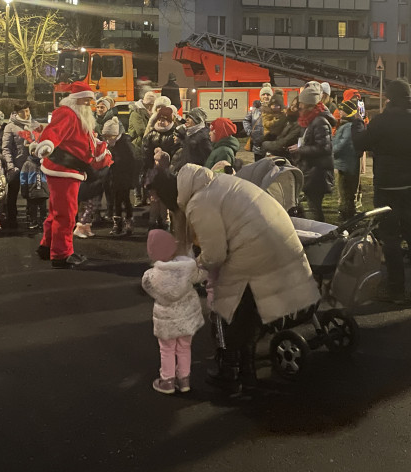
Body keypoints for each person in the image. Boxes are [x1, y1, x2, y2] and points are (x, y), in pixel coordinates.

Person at [149, 164, 320, 395]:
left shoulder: (199, 202)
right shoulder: (212, 184)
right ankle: (246, 372)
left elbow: (215, 253)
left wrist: (193, 269)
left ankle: (229, 372)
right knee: (248, 312)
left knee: (229, 309)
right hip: (278, 241)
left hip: (256, 249)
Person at [354, 79, 411, 305]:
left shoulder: (382, 121)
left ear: (389, 98)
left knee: (390, 238)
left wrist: (357, 123)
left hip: (387, 187)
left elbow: (359, 143)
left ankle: (396, 289)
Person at [34, 81, 112, 268]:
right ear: (76, 100)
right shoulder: (68, 113)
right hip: (64, 171)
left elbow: (86, 141)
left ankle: (47, 246)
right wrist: (46, 144)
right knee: (66, 214)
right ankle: (61, 254)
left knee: (56, 211)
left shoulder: (78, 116)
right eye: (86, 101)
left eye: (89, 102)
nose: (88, 105)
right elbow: (53, 132)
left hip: (67, 170)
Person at [141, 229, 207, 394]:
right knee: (185, 347)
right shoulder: (188, 268)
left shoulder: (151, 276)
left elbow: (148, 289)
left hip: (166, 320)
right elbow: (201, 276)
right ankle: (184, 380)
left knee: (167, 349)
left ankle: (167, 380)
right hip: (186, 317)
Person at [291, 82, 334, 222]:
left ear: (310, 105)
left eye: (301, 105)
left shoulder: (320, 121)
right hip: (312, 171)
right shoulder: (310, 120)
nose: (299, 108)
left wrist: (300, 149)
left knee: (314, 208)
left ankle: (321, 236)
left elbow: (324, 148)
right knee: (312, 206)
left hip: (318, 173)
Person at [1, 101, 40, 230]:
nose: (25, 114)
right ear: (16, 113)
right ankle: (12, 218)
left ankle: (31, 218)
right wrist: (10, 165)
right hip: (17, 166)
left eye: (27, 111)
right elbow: (6, 148)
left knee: (31, 194)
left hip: (32, 166)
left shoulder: (35, 125)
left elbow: (40, 143)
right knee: (13, 193)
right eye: (22, 111)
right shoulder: (10, 127)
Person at [102, 117, 140, 235]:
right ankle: (118, 224)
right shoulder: (110, 145)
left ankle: (127, 222)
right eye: (106, 136)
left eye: (110, 136)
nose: (108, 139)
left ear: (116, 134)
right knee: (116, 201)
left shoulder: (126, 145)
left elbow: (134, 162)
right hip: (114, 178)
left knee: (124, 200)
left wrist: (133, 180)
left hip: (124, 178)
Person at [332, 99, 363, 221]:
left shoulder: (348, 126)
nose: (339, 112)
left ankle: (346, 216)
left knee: (345, 191)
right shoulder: (347, 125)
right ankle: (346, 213)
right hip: (345, 163)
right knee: (346, 191)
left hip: (346, 164)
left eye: (342, 110)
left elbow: (342, 144)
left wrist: (332, 150)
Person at [20, 146, 50, 231]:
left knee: (43, 207)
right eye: (33, 150)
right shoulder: (27, 164)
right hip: (32, 189)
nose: (35, 152)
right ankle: (33, 221)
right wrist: (24, 187)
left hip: (43, 189)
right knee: (32, 207)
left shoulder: (44, 162)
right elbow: (23, 176)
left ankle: (43, 220)